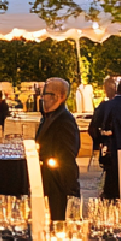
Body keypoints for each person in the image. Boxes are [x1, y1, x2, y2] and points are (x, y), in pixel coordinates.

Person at [35, 77, 81, 220]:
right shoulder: (48, 117)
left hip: (58, 185)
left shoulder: (64, 121)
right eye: (43, 94)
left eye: (48, 94)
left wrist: (70, 190)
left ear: (61, 97)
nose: (43, 98)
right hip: (48, 181)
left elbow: (67, 157)